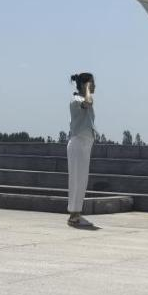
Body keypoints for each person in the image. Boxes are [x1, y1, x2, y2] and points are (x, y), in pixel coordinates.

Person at [66, 72, 97, 229]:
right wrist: (87, 89)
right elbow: (88, 102)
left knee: (82, 180)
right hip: (78, 143)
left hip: (85, 144)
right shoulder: (76, 100)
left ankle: (77, 214)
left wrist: (87, 90)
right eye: (92, 83)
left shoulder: (83, 99)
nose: (95, 86)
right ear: (85, 85)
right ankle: (73, 216)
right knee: (76, 179)